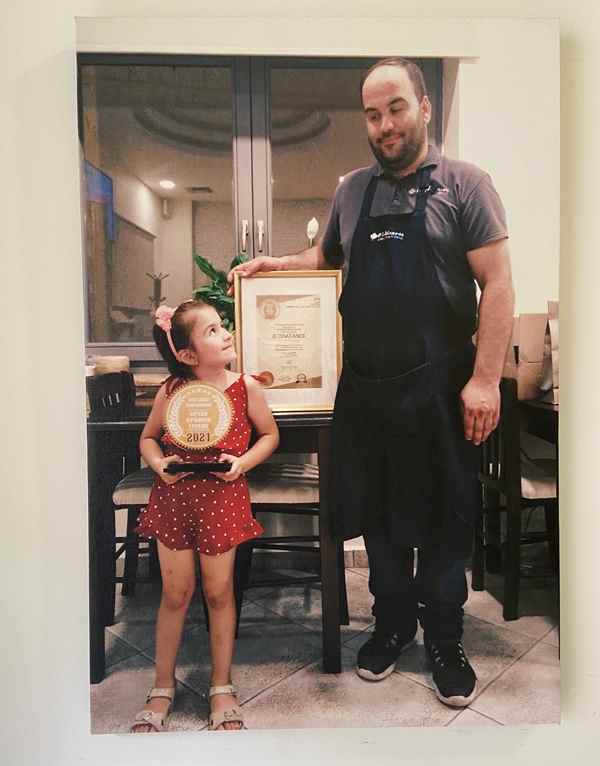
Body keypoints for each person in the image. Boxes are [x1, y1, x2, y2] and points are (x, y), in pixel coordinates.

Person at [228, 58, 514, 708]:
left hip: (441, 388)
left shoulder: (466, 185)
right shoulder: (353, 190)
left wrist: (485, 380)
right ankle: (392, 624)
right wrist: (278, 264)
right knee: (378, 519)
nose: (384, 125)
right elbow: (327, 257)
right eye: (373, 114)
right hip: (367, 389)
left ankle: (445, 639)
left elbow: (498, 283)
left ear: (424, 107)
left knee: (443, 519)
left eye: (396, 108)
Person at [130, 299, 279, 732]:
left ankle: (221, 684)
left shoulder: (245, 387)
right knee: (175, 593)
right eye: (212, 331)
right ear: (187, 354)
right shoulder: (172, 390)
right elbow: (148, 438)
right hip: (174, 500)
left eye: (222, 325)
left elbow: (270, 434)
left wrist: (243, 463)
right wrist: (158, 464)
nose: (225, 333)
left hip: (222, 499)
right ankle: (162, 685)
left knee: (219, 592)